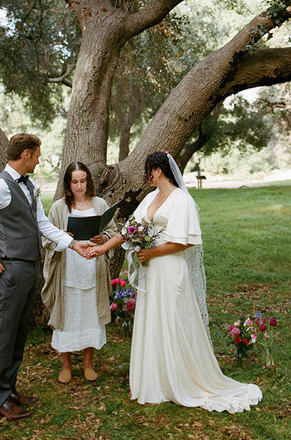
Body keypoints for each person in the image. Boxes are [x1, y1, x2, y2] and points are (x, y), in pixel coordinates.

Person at [87, 151, 262, 413]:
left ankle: (179, 380)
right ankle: (155, 382)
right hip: (152, 270)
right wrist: (103, 249)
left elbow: (186, 241)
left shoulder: (182, 200)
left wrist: (153, 251)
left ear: (158, 170)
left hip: (170, 268)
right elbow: (129, 229)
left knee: (171, 319)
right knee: (153, 319)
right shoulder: (150, 197)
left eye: (148, 172)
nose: (146, 177)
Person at [0, 133, 88, 420]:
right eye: (38, 155)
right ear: (26, 154)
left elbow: (42, 224)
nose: (40, 160)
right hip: (10, 270)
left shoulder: (29, 187)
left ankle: (9, 390)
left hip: (30, 268)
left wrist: (74, 244)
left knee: (18, 334)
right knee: (4, 335)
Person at [41, 161, 116, 383]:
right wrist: (60, 235)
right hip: (68, 270)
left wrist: (103, 238)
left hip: (93, 268)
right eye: (75, 182)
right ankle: (66, 365)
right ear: (68, 184)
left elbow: (113, 232)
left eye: (83, 181)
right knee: (68, 316)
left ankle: (87, 363)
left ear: (89, 182)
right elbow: (46, 238)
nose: (79, 186)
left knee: (90, 316)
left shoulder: (100, 204)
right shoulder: (59, 208)